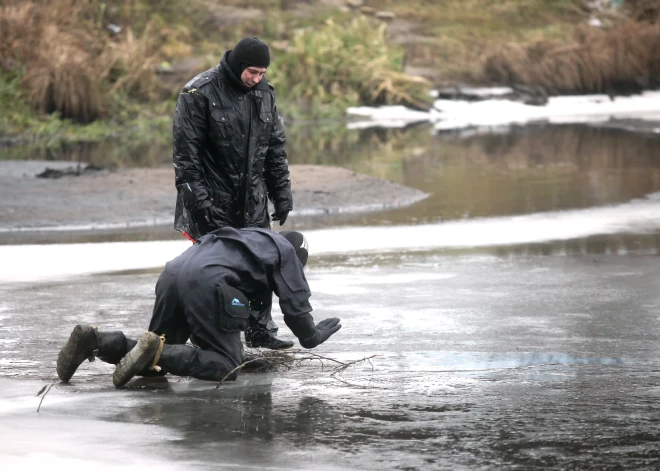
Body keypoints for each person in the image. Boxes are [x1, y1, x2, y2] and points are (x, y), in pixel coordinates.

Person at [55, 229, 342, 388]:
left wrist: (243, 353)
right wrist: (311, 337)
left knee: (154, 362)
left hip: (174, 272)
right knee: (225, 367)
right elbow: (295, 306)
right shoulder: (287, 251)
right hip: (208, 278)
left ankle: (97, 340)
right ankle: (155, 348)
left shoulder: (252, 240)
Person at [172, 36, 293, 349]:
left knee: (260, 261)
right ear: (239, 65)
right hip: (211, 199)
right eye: (253, 72)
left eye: (262, 73)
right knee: (216, 272)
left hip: (253, 198)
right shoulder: (199, 92)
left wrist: (281, 194)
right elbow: (186, 156)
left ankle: (260, 330)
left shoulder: (265, 94)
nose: (257, 79)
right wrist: (198, 202)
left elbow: (275, 149)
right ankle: (209, 337)